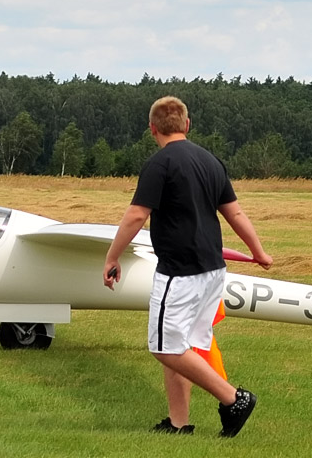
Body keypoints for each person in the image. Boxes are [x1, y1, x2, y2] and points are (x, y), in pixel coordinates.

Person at [103, 96, 272, 437]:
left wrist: (112, 257)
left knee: (164, 346)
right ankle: (179, 423)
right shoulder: (211, 161)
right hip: (212, 270)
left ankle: (233, 398)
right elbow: (235, 213)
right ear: (187, 125)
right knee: (183, 345)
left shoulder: (160, 164)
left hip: (180, 271)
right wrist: (259, 252)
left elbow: (137, 214)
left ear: (152, 129)